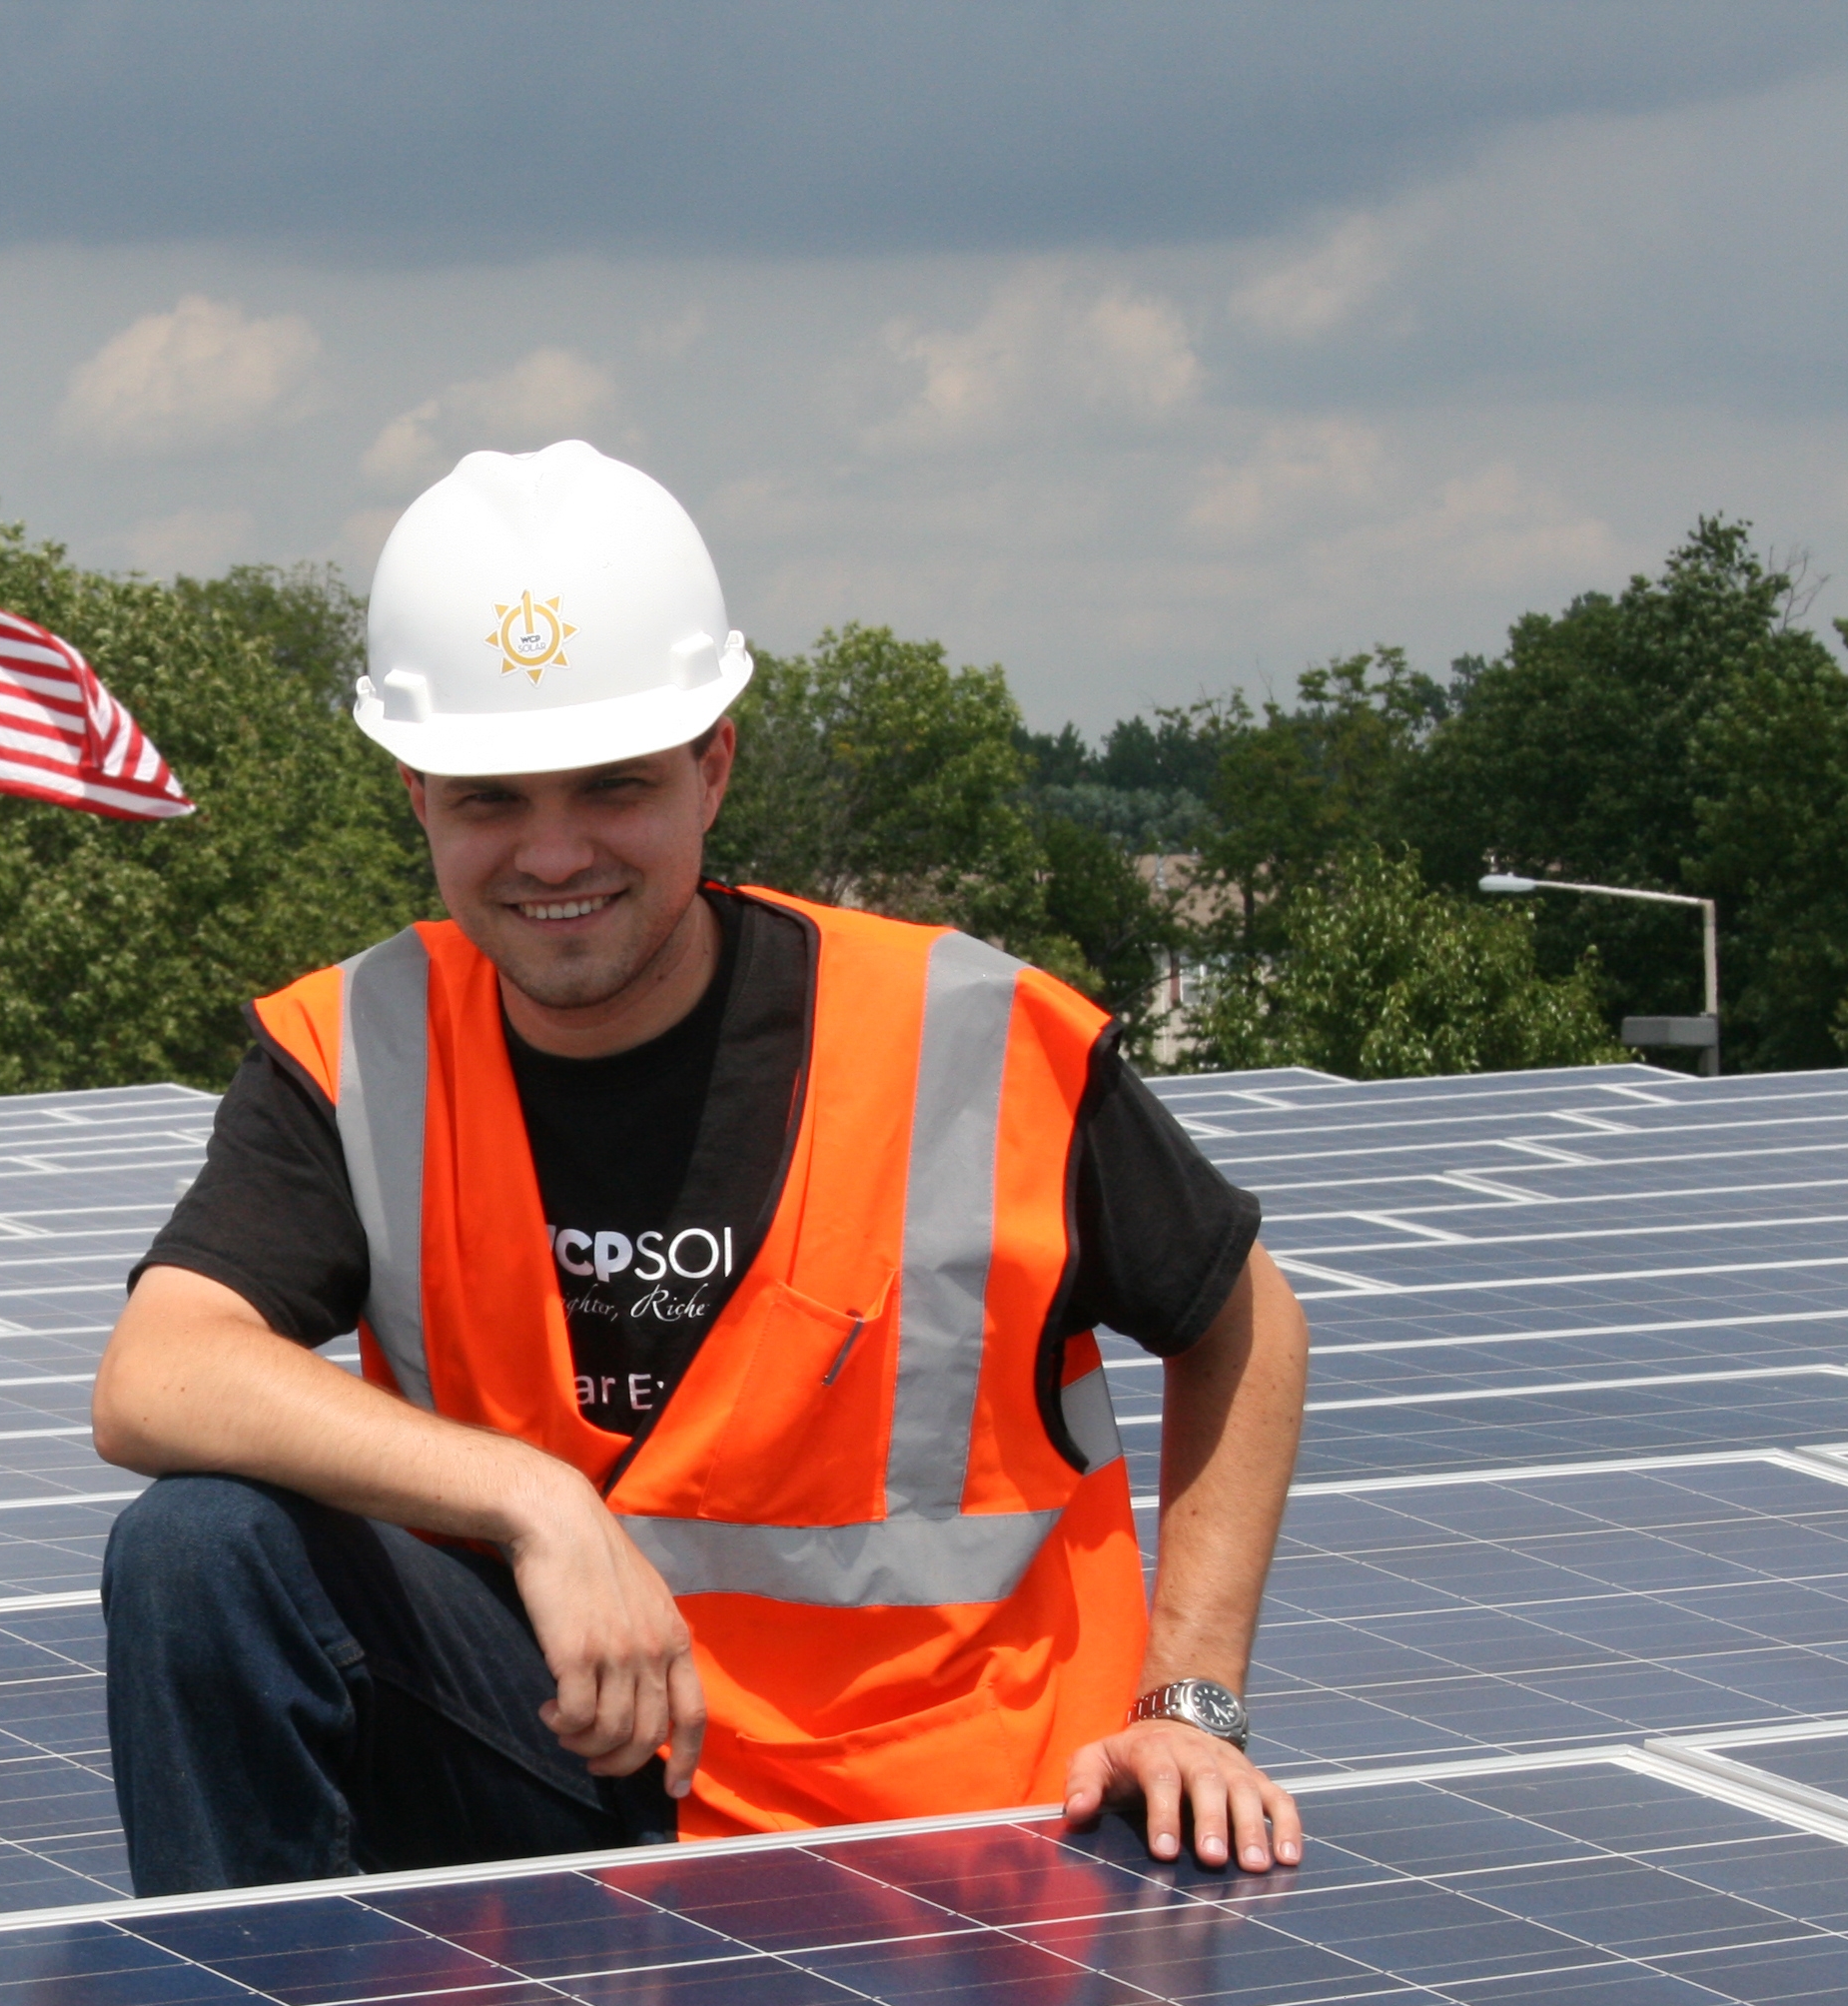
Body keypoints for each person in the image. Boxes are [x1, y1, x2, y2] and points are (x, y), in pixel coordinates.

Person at [92, 440, 1307, 1897]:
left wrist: (1192, 1705)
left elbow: (1244, 1317)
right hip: (586, 1752)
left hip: (948, 1822)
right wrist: (540, 1503)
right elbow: (157, 1376)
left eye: (613, 786)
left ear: (714, 765)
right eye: (490, 798)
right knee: (199, 1552)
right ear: (416, 795)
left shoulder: (965, 1039)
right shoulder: (357, 1048)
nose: (553, 854)